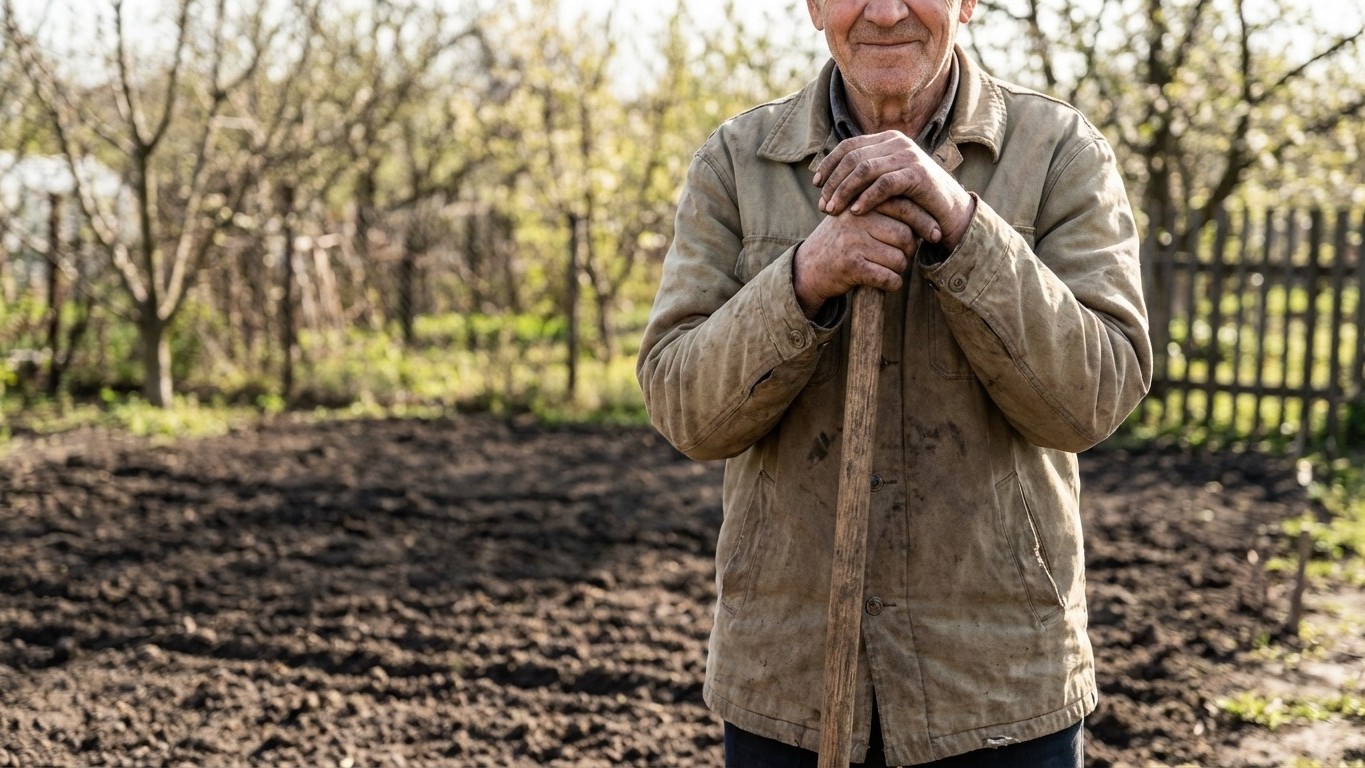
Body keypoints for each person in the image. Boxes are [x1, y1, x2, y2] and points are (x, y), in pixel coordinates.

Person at [636, 0, 1152, 765]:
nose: (884, 11)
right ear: (813, 7)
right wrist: (803, 278)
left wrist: (962, 224)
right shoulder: (739, 162)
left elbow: (1093, 400)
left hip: (996, 690)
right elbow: (686, 411)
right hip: (787, 689)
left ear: (968, 3)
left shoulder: (1056, 152)